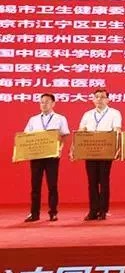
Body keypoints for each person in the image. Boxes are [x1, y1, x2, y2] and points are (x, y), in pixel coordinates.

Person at [75, 88, 122, 221]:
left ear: (108, 99)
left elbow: (117, 131)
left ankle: (103, 210)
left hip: (106, 150)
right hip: (90, 151)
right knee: (92, 181)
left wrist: (117, 148)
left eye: (102, 97)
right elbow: (81, 131)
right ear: (93, 99)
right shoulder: (87, 114)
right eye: (97, 97)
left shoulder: (114, 113)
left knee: (104, 180)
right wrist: (76, 148)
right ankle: (93, 210)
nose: (99, 99)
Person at [23, 93, 70, 222]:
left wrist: (60, 148)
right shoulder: (33, 119)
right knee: (35, 186)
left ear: (53, 103)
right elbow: (26, 136)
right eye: (42, 102)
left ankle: (53, 212)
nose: (44, 104)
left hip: (52, 156)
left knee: (52, 185)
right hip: (36, 156)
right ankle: (34, 213)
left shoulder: (60, 118)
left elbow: (64, 135)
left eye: (47, 102)